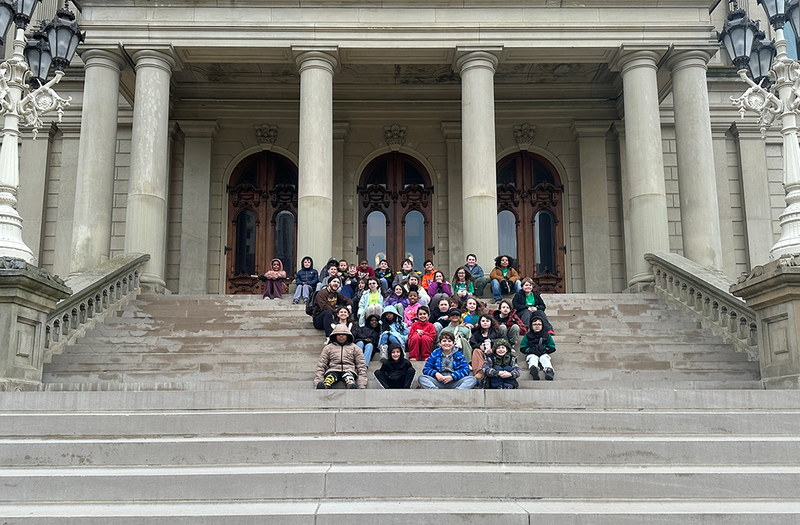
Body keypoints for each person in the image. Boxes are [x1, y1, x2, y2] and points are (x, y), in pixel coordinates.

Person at [314, 324, 367, 389]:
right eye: (338, 334)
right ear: (335, 336)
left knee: (348, 376)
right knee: (330, 377)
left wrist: (361, 385)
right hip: (333, 369)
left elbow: (361, 366)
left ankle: (351, 386)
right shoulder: (328, 348)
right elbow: (321, 365)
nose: (341, 336)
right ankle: (325, 386)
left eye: (343, 334)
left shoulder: (355, 348)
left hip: (348, 369)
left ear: (348, 336)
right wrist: (318, 382)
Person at [519, 312, 556, 380]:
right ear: (531, 326)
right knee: (532, 358)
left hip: (543, 352)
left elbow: (552, 347)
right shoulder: (527, 336)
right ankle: (534, 370)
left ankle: (549, 370)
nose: (537, 326)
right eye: (534, 324)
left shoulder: (547, 335)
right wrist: (529, 350)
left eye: (539, 324)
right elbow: (522, 347)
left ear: (542, 325)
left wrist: (545, 349)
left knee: (545, 358)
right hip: (532, 353)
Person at [469, 314, 503, 382]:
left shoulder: (497, 332)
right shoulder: (477, 333)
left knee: (490, 351)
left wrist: (492, 342)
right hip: (481, 352)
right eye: (483, 321)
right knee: (476, 351)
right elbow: (472, 343)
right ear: (480, 322)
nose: (485, 322)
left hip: (494, 351)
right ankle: (480, 371)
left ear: (491, 322)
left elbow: (504, 341)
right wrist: (479, 346)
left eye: (487, 321)